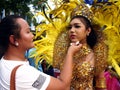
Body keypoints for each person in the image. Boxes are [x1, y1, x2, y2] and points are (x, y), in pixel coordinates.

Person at [0, 15, 82, 90]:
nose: (33, 35)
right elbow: (63, 86)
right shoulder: (25, 73)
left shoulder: (4, 61)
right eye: (28, 32)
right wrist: (70, 53)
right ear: (13, 40)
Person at [53, 5, 107, 90]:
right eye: (70, 27)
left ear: (88, 31)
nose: (72, 30)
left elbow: (101, 86)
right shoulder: (64, 52)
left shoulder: (98, 54)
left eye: (77, 26)